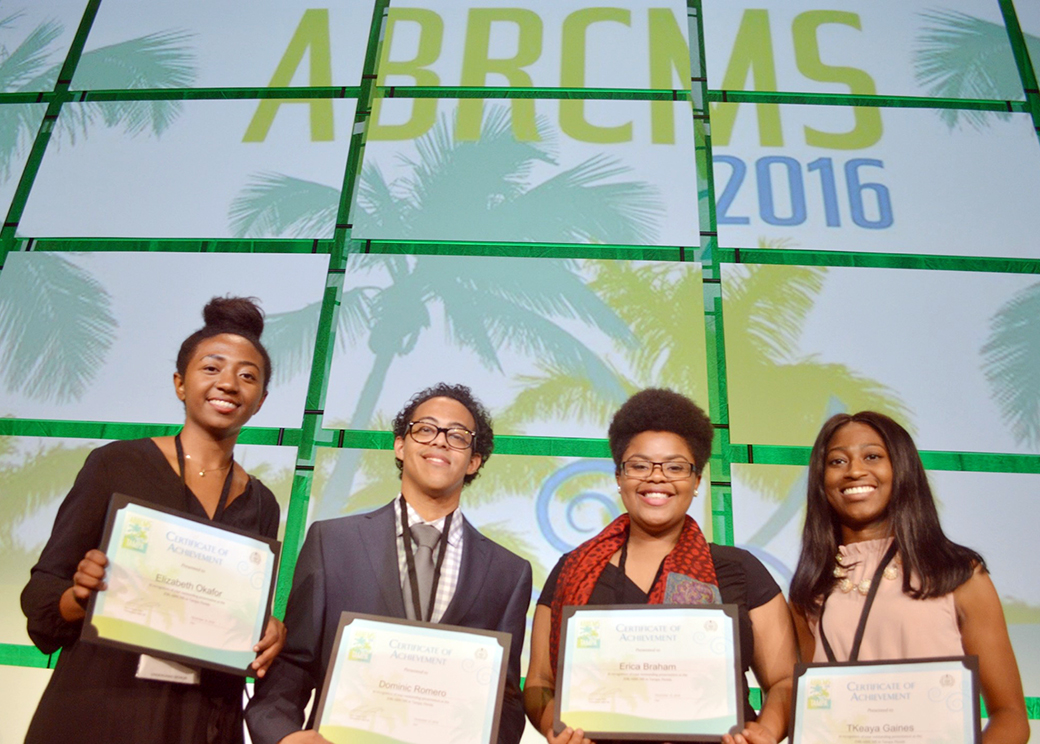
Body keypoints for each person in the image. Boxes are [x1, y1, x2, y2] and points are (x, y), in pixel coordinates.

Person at [20, 296, 286, 743]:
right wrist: (80, 595)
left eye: (247, 376)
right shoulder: (116, 464)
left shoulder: (263, 503)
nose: (229, 384)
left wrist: (265, 629)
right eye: (211, 368)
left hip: (202, 720)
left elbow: (236, 618)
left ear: (260, 401)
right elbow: (43, 599)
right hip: (99, 707)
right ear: (180, 384)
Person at [245, 382, 533, 744]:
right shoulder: (332, 542)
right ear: (400, 445)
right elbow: (293, 663)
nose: (440, 441)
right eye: (426, 429)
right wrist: (285, 735)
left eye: (458, 436)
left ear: (474, 460)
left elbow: (504, 699)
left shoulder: (508, 572)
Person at [524, 388, 797, 744]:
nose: (656, 477)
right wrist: (554, 726)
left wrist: (767, 730)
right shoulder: (571, 569)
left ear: (696, 480)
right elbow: (539, 683)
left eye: (675, 467)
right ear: (619, 477)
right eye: (639, 465)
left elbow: (784, 680)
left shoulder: (739, 569)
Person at [789, 411, 1029, 743]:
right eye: (837, 461)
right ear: (821, 480)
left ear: (902, 468)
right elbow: (818, 711)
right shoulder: (810, 592)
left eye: (872, 456)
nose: (855, 470)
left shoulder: (957, 573)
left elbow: (1011, 716)